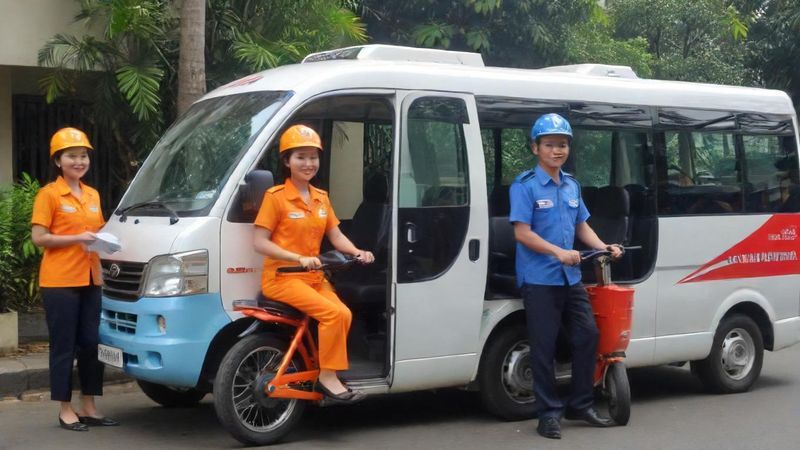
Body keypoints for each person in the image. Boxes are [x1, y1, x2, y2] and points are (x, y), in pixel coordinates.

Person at [509, 114, 622, 439]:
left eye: (562, 145)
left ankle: (581, 404)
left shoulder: (571, 185)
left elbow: (580, 225)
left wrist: (604, 247)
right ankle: (548, 415)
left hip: (570, 279)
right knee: (543, 348)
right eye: (550, 145)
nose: (557, 150)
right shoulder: (526, 186)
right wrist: (558, 252)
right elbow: (522, 233)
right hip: (540, 279)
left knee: (588, 336)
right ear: (536, 148)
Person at [253, 124, 375, 403]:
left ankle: (325, 370)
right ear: (287, 161)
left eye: (313, 157)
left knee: (342, 314)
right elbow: (260, 242)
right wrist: (297, 258)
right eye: (301, 157)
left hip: (314, 278)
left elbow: (335, 235)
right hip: (283, 278)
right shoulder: (275, 198)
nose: (308, 164)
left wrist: (358, 251)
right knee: (332, 315)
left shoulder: (322, 198)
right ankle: (327, 378)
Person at [31, 127, 118, 431]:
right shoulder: (49, 194)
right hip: (60, 282)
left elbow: (98, 229)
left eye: (83, 156)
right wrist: (76, 237)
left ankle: (89, 406)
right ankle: (65, 409)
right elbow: (39, 238)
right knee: (64, 346)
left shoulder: (92, 194)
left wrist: (108, 239)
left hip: (91, 279)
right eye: (72, 156)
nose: (79, 161)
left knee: (91, 344)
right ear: (58, 161)